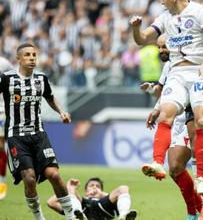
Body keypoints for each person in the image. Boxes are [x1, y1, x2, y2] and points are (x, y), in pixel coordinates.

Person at [129, 0, 203, 200]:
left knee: (200, 121)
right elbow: (141, 40)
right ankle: (158, 162)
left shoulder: (199, 11)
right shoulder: (164, 18)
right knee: (165, 114)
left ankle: (200, 178)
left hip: (199, 71)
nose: (160, 0)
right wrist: (135, 28)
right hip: (177, 73)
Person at [144, 34, 203, 220]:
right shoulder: (173, 64)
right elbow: (167, 91)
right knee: (180, 162)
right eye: (160, 47)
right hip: (190, 107)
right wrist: (156, 106)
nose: (162, 50)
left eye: (164, 46)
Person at [0, 43, 83, 220]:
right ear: (19, 58)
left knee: (53, 174)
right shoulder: (7, 79)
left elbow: (50, 98)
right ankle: (39, 217)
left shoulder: (41, 79)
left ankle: (70, 214)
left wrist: (62, 112)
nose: (32, 58)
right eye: (27, 55)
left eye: (34, 55)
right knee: (29, 179)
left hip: (39, 135)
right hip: (16, 137)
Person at [47, 177, 137, 220]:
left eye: (97, 186)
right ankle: (78, 215)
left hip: (102, 206)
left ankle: (124, 216)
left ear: (101, 190)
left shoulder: (105, 199)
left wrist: (102, 194)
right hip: (84, 206)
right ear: (86, 191)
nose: (94, 187)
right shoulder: (81, 200)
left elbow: (119, 196)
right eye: (91, 186)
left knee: (123, 188)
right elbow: (51, 203)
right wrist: (68, 187)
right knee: (71, 190)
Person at [0, 56, 14, 200]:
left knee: (1, 146)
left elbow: (15, 78)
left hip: (2, 112)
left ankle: (2, 182)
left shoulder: (3, 63)